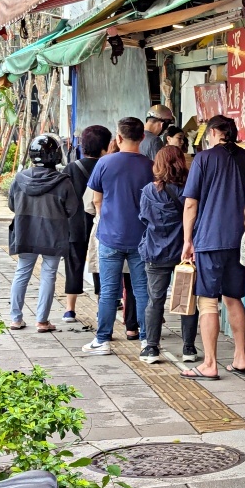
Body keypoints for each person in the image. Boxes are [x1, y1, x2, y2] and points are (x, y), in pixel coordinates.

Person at [180, 115, 245, 379]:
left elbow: (191, 203)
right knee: (233, 297)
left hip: (210, 239)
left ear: (214, 132)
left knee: (208, 302)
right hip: (240, 240)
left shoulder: (204, 159)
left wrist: (187, 240)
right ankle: (240, 358)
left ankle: (210, 364)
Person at [81, 117, 154, 356]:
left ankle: (102, 340)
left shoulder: (105, 163)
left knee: (109, 290)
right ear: (142, 138)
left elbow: (96, 199)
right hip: (141, 237)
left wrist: (105, 218)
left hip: (110, 236)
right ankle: (146, 341)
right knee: (142, 289)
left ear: (118, 137)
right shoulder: (150, 166)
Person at [8, 135, 78, 332]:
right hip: (53, 235)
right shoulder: (63, 182)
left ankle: (15, 318)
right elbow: (71, 210)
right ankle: (42, 321)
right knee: (49, 275)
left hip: (25, 231)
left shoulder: (19, 179)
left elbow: (12, 204)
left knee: (22, 272)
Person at [139, 146, 199, 364]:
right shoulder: (188, 191)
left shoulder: (148, 191)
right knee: (187, 298)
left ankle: (152, 348)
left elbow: (143, 219)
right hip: (184, 253)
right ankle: (189, 348)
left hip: (155, 251)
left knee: (155, 299)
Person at [63, 125, 111, 323]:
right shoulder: (108, 166)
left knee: (73, 264)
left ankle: (69, 309)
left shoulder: (71, 168)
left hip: (74, 225)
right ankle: (102, 306)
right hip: (101, 224)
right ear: (104, 148)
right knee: (100, 264)